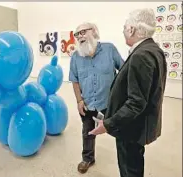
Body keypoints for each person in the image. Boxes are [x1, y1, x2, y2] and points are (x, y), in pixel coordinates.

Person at [89, 8, 167, 177]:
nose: (123, 30)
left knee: (129, 170)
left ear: (131, 29)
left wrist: (108, 124)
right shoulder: (153, 50)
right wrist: (110, 114)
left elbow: (136, 102)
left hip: (131, 129)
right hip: (137, 126)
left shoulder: (142, 55)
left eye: (125, 27)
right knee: (134, 165)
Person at [69, 22, 124, 174]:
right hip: (88, 105)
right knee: (87, 132)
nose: (80, 36)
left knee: (121, 131)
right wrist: (79, 100)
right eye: (77, 34)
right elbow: (74, 80)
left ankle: (125, 159)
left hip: (109, 104)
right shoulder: (75, 57)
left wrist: (119, 95)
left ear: (94, 31)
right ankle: (87, 158)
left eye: (83, 32)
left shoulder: (109, 49)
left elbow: (124, 70)